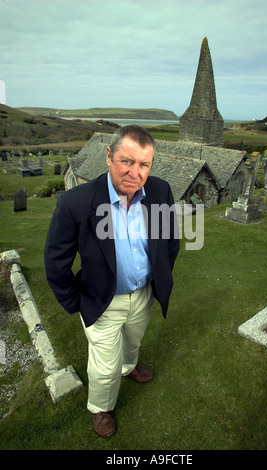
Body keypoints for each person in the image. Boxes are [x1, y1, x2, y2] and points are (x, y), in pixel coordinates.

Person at [44, 125, 180, 438]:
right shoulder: (75, 203)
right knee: (104, 366)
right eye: (127, 161)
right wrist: (75, 302)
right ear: (108, 156)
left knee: (132, 343)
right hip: (102, 301)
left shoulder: (160, 192)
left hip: (143, 294)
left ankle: (129, 367)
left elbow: (170, 242)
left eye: (144, 164)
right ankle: (101, 407)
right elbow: (56, 262)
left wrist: (158, 276)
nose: (136, 172)